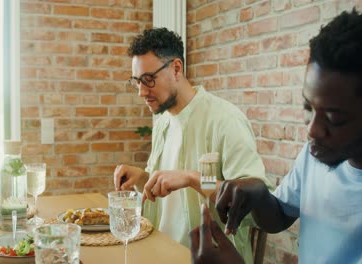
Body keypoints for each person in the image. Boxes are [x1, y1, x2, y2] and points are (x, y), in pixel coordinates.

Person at [190, 8, 362, 263]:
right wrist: (260, 194)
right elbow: (280, 216)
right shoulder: (317, 152)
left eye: (334, 118)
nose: (312, 130)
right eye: (308, 107)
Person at [113, 27, 271, 263]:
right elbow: (171, 190)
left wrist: (194, 178)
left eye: (148, 80)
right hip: (158, 251)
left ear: (176, 68)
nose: (141, 92)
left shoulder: (226, 120)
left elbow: (252, 206)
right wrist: (144, 178)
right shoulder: (163, 121)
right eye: (136, 81)